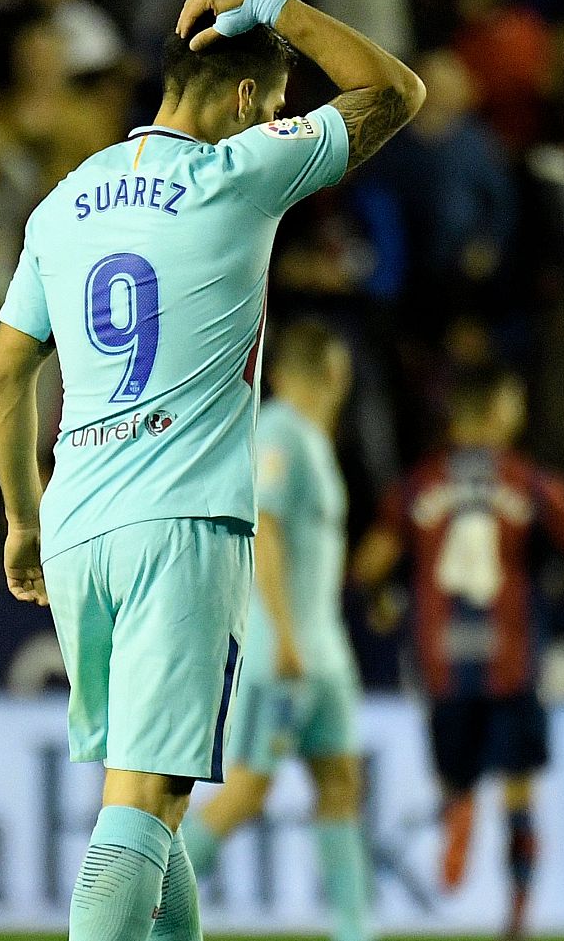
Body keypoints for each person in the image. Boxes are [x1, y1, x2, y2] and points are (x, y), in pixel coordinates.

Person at [0, 0, 422, 941]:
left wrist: (22, 516)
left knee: (158, 799)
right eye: (270, 102)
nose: (274, 118)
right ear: (240, 102)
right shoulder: (235, 172)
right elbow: (395, 92)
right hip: (176, 523)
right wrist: (269, 3)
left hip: (75, 526)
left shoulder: (64, 202)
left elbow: (6, 375)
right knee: (137, 803)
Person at [352, 364, 564, 940]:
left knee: (456, 774)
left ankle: (458, 806)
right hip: (512, 664)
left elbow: (369, 564)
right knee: (520, 789)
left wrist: (384, 600)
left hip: (442, 666)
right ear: (496, 410)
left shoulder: (420, 483)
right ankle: (516, 918)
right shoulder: (531, 482)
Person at [178, 320, 373, 941]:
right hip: (283, 653)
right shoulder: (282, 430)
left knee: (339, 782)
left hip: (323, 656)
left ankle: (352, 931)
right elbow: (267, 531)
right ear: (323, 373)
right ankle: (147, 901)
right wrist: (285, 634)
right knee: (248, 791)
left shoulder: (313, 439)